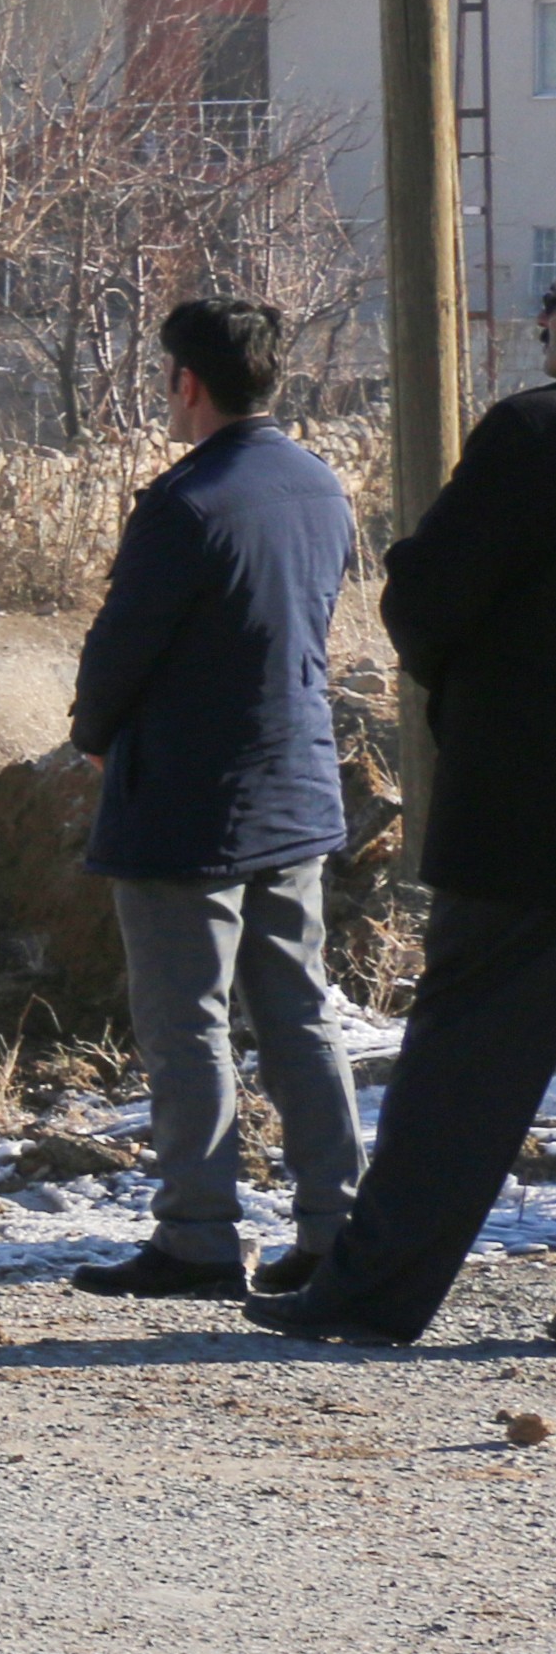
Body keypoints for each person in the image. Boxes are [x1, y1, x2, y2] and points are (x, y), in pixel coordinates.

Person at [249, 282, 556, 1347]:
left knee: (461, 1076)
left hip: (527, 817)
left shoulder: (530, 435)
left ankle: (371, 1294)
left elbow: (423, 598)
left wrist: (462, 685)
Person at [64, 298, 363, 1302]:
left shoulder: (186, 503)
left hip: (187, 804)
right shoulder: (321, 486)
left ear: (187, 381)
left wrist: (92, 736)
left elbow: (119, 649)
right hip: (299, 786)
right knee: (300, 1012)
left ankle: (198, 1235)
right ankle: (336, 1225)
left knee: (187, 1022)